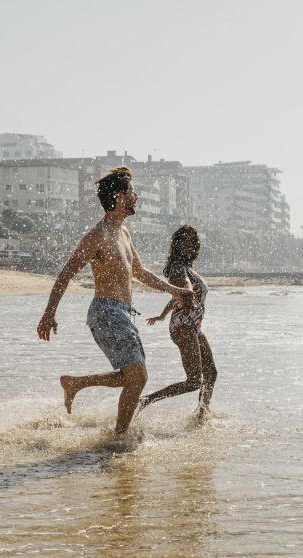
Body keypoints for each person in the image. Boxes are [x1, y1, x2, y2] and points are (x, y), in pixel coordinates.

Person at [36, 166, 193, 437]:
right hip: (105, 312)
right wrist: (49, 314)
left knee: (134, 377)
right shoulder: (98, 235)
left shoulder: (123, 233)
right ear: (120, 197)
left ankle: (76, 384)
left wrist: (174, 291)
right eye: (132, 191)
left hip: (122, 313)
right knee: (139, 377)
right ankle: (119, 439)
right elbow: (66, 273)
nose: (137, 196)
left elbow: (140, 272)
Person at [139, 225, 218, 419]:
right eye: (187, 241)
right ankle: (146, 400)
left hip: (194, 326)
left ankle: (202, 414)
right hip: (183, 326)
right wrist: (188, 294)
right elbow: (183, 286)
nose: (192, 244)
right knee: (193, 381)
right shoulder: (177, 268)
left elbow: (176, 298)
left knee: (211, 374)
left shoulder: (189, 267)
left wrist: (162, 315)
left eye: (195, 241)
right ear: (177, 244)